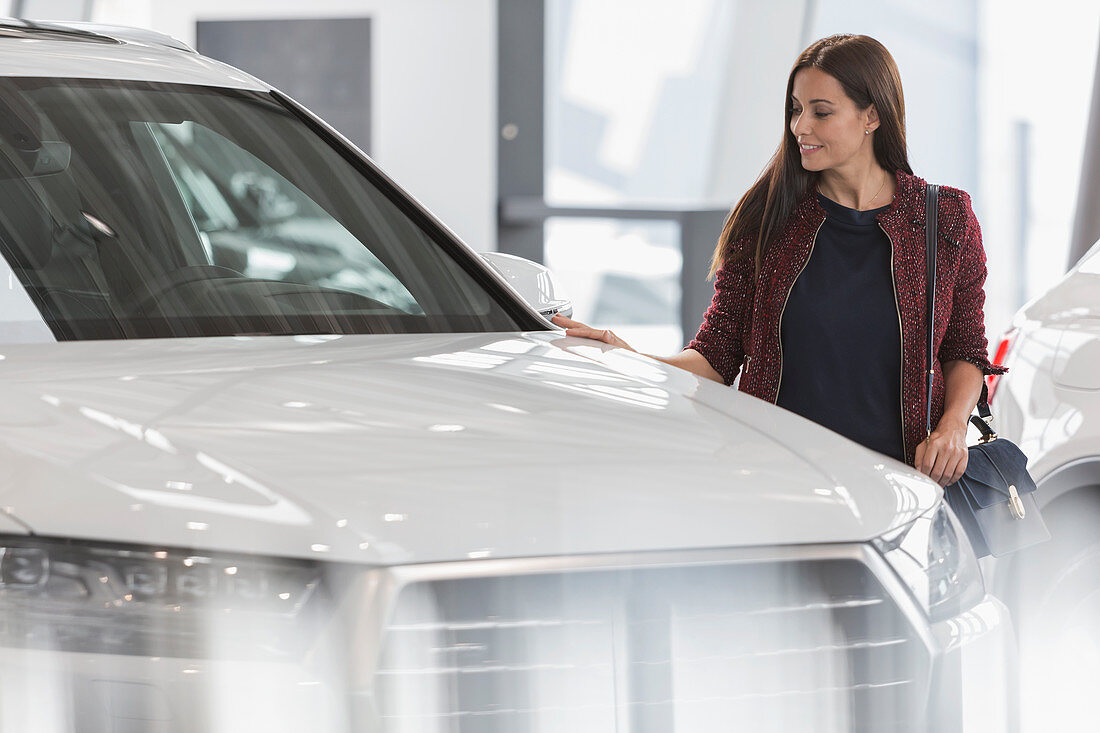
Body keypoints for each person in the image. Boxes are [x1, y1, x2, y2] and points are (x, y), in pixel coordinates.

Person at [553, 33, 1006, 487]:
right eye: (795, 109)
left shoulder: (944, 217)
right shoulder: (766, 218)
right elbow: (717, 354)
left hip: (903, 492)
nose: (799, 127)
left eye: (820, 112)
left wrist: (952, 429)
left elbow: (963, 347)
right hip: (778, 486)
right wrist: (632, 359)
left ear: (872, 115)